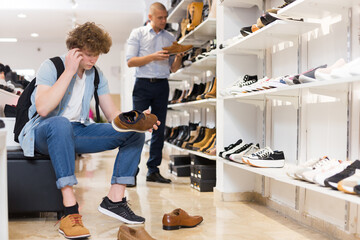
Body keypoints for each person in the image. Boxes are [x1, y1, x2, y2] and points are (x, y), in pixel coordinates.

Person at [18, 22, 159, 239]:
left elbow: (114, 117)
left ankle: (115, 199)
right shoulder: (51, 66)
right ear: (74, 50)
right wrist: (70, 71)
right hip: (43, 131)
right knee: (61, 123)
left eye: (97, 55)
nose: (93, 60)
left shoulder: (97, 75)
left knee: (133, 134)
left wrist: (137, 120)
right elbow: (44, 108)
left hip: (78, 130)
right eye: (88, 54)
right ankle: (70, 211)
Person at [126, 2, 183, 184]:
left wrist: (179, 58)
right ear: (150, 17)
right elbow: (130, 61)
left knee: (159, 129)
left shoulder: (170, 37)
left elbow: (173, 68)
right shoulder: (138, 34)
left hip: (161, 86)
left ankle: (153, 171)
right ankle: (131, 173)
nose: (164, 21)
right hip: (142, 85)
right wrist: (153, 57)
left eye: (165, 17)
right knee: (137, 128)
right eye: (160, 18)